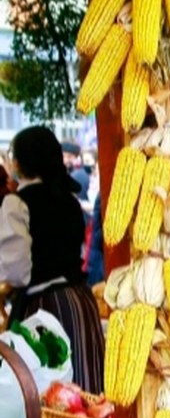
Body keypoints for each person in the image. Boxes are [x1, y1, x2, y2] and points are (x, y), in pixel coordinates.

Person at [0, 126, 104, 393]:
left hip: (46, 311)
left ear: (21, 162)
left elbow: (16, 273)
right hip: (80, 302)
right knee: (87, 394)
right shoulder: (67, 199)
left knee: (53, 398)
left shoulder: (17, 203)